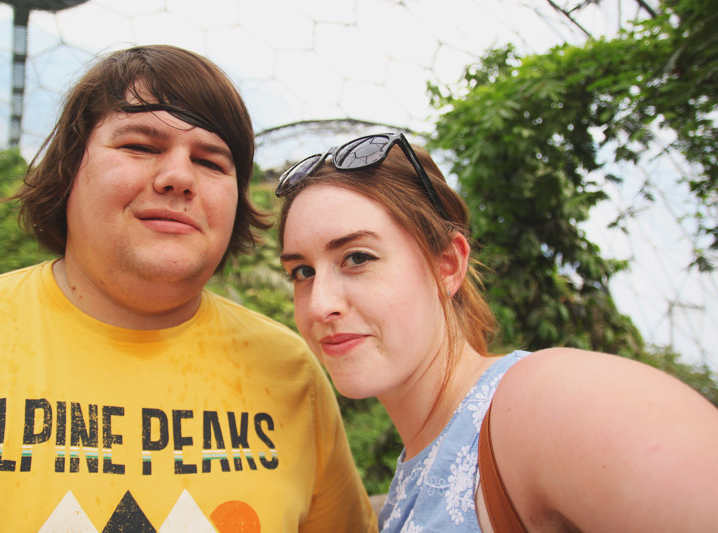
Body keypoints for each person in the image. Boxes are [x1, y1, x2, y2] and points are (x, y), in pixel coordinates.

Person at [0, 45, 377, 532]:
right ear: (71, 167)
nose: (178, 178)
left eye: (211, 161)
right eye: (140, 146)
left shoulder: (291, 373)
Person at [276, 132, 718, 532]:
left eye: (357, 258)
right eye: (302, 271)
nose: (319, 304)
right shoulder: (404, 489)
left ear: (446, 266)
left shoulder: (540, 404)